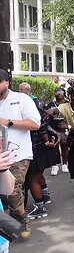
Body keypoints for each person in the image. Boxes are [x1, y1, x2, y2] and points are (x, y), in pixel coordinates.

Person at [0, 69, 41, 240]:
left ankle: (22, 216)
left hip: (18, 155)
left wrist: (8, 122)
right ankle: (8, 226)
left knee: (12, 190)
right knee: (2, 193)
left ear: (7, 82)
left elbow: (35, 123)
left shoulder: (21, 99)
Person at [26, 111, 59, 219]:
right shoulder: (37, 115)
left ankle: (40, 207)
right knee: (38, 175)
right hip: (41, 149)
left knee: (32, 179)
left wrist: (46, 142)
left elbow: (42, 129)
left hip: (37, 149)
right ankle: (45, 195)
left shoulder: (32, 117)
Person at [45, 87, 70, 175]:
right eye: (56, 92)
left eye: (60, 92)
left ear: (64, 94)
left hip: (64, 129)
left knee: (64, 147)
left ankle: (65, 164)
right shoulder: (51, 104)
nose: (58, 94)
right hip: (53, 128)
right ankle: (54, 166)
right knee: (54, 147)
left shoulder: (68, 103)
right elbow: (46, 114)